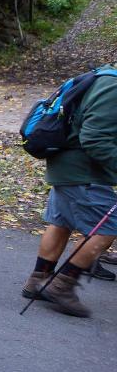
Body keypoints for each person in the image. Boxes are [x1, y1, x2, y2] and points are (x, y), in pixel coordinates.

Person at [21, 62, 117, 317]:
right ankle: (62, 285)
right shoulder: (113, 87)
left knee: (61, 223)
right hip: (83, 172)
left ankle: (38, 280)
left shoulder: (101, 76)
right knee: (108, 229)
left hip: (66, 166)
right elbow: (95, 139)